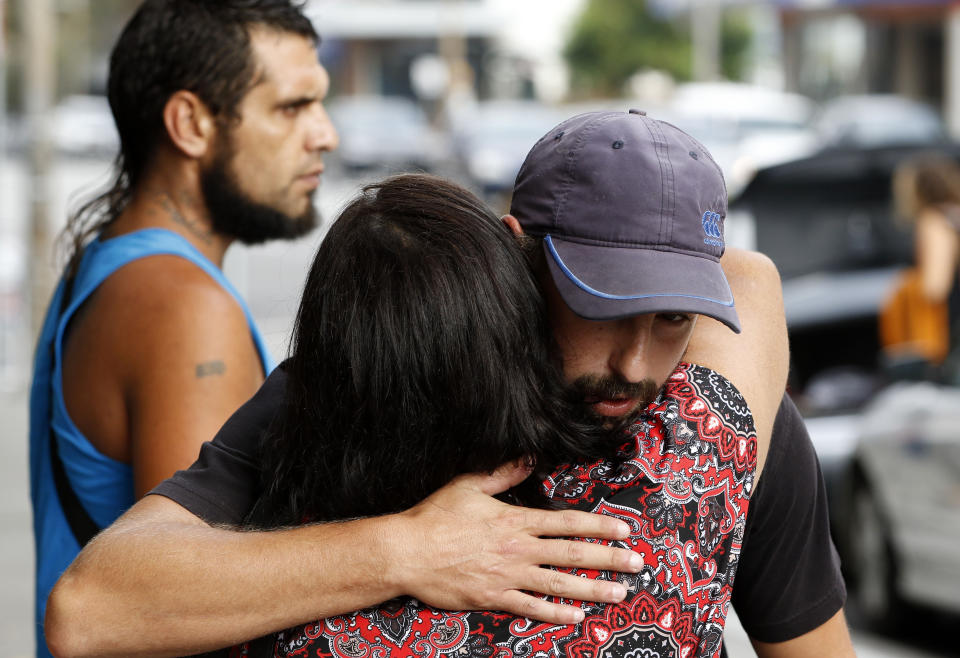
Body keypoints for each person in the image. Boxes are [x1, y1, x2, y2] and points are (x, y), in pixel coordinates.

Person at [46, 112, 854, 657]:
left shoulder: (714, 427)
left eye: (675, 317)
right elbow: (91, 606)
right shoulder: (373, 383)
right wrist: (408, 549)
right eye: (603, 306)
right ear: (516, 256)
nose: (638, 367)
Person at [36, 3, 648, 655]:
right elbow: (169, 604)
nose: (324, 135)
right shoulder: (183, 308)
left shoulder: (110, 265)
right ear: (190, 123)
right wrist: (413, 546)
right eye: (292, 107)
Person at [884, 154, 960, 381]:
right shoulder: (954, 215)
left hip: (950, 332)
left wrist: (907, 282)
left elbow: (934, 287)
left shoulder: (933, 221)